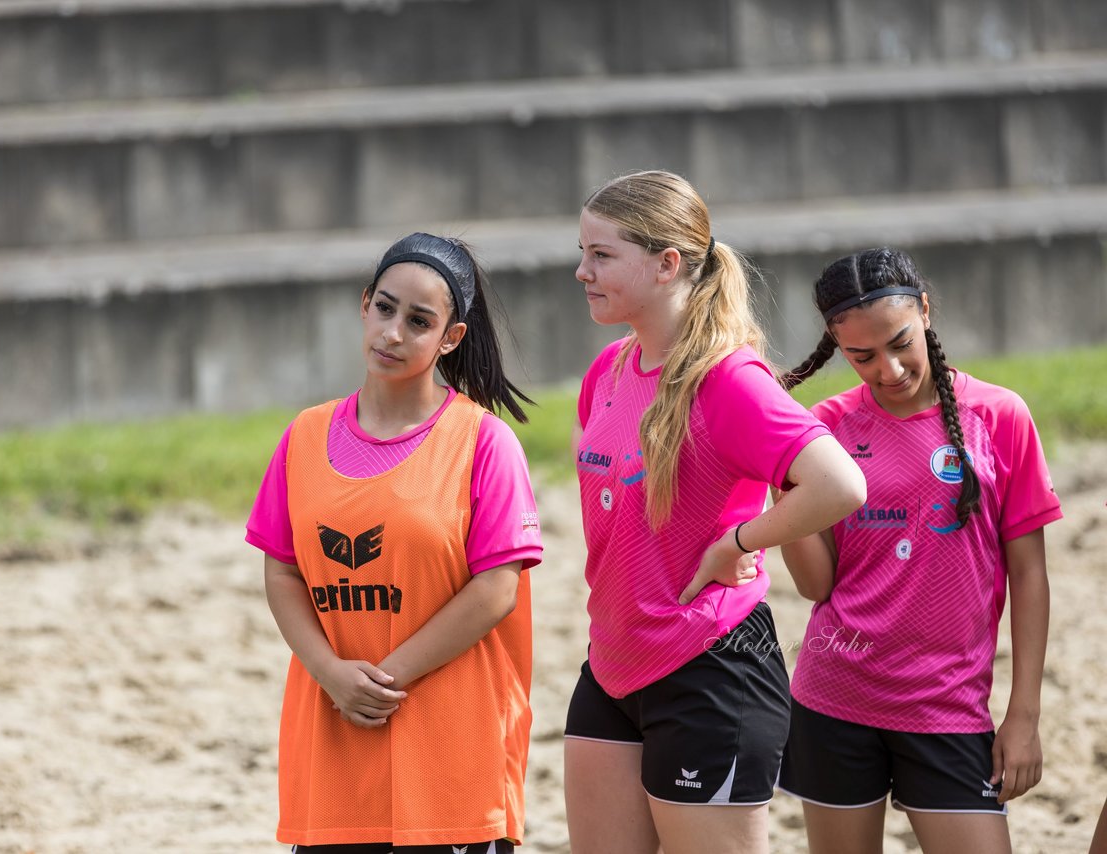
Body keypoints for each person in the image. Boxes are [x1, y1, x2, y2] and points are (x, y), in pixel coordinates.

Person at [562, 170, 867, 854]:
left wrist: (739, 540)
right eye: (583, 252)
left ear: (667, 263)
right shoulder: (608, 372)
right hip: (611, 665)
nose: (581, 271)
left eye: (601, 255)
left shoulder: (729, 381)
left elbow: (840, 485)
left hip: (711, 667)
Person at [246, 233, 543, 853]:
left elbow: (497, 590)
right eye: (384, 308)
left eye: (418, 321)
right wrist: (330, 674)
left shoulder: (484, 443)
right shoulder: (304, 436)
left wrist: (383, 680)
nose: (393, 332)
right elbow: (283, 573)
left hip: (452, 761)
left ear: (450, 338)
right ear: (364, 305)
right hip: (334, 754)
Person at [775, 248, 1062, 854]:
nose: (889, 368)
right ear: (836, 344)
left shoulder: (1001, 415)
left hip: (948, 707)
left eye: (900, 343)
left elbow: (1029, 574)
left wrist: (1024, 715)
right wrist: (783, 483)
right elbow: (818, 587)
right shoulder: (822, 429)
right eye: (863, 356)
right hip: (835, 695)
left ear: (926, 310)